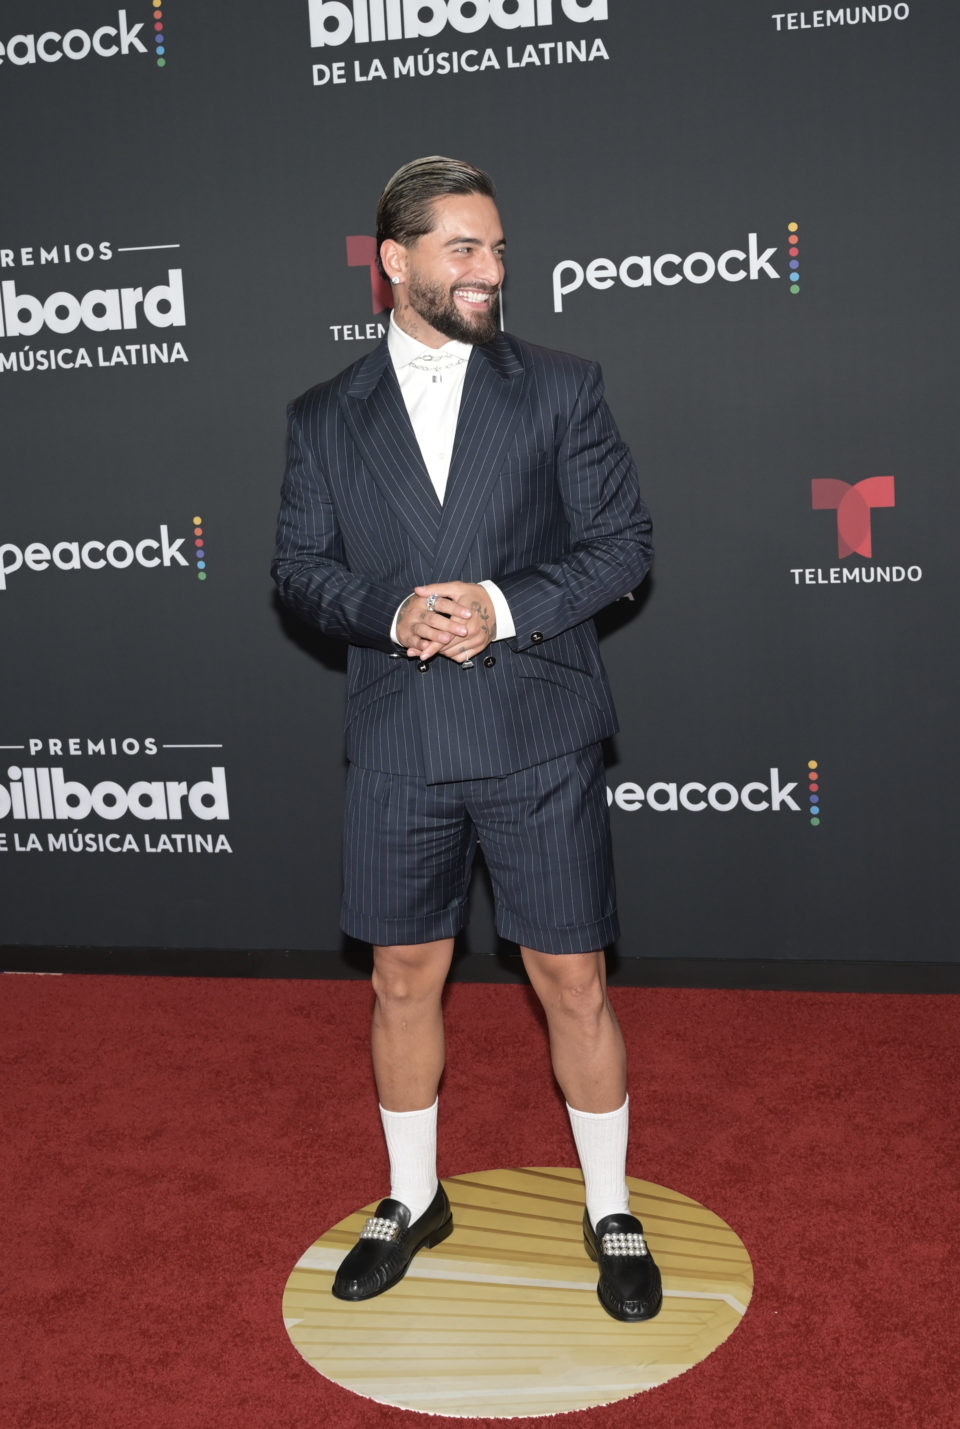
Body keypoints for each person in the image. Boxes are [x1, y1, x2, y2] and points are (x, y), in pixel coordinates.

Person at [272, 156, 659, 1322]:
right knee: (401, 977)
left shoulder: (561, 386)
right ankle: (409, 1195)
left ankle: (610, 1206)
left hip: (536, 723)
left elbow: (622, 545)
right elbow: (299, 569)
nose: (491, 271)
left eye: (497, 249)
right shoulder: (322, 416)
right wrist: (391, 615)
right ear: (395, 262)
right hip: (399, 730)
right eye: (464, 249)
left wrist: (499, 604)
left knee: (572, 977)